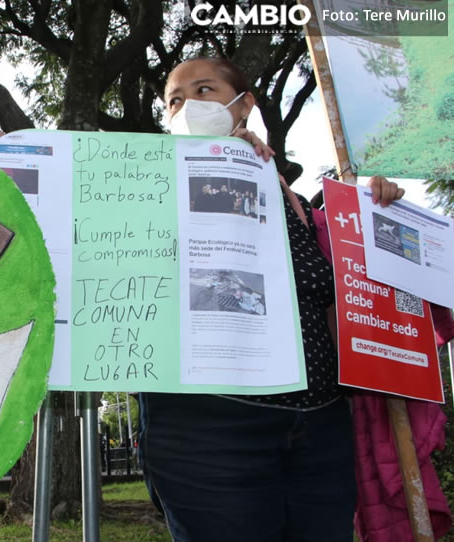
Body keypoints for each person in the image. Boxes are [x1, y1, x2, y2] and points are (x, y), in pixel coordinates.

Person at [139, 56, 406, 542]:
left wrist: (379, 213)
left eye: (203, 91)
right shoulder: (149, 191)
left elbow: (357, 298)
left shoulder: (305, 210)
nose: (186, 106)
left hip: (320, 431)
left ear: (244, 104)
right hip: (211, 432)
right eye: (174, 100)